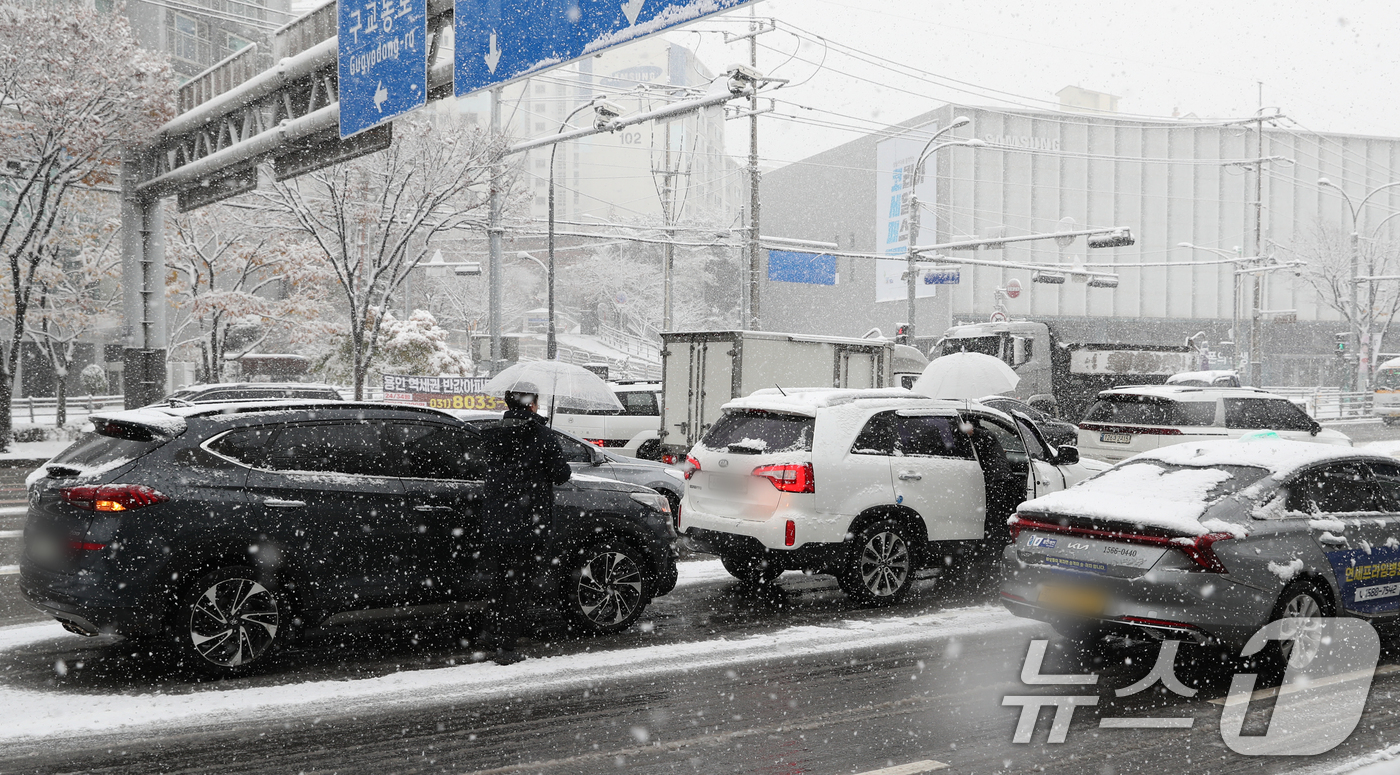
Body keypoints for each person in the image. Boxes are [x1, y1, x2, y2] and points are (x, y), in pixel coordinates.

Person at [476, 384, 572, 665]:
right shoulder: (541, 435)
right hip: (529, 521)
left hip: (497, 521)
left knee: (499, 580)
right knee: (519, 584)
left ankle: (489, 634)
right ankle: (507, 647)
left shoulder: (492, 435)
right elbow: (561, 474)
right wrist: (547, 439)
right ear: (531, 404)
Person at [961, 416, 1016, 547]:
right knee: (1001, 515)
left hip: (998, 479)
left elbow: (974, 432)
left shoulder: (982, 434)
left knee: (995, 516)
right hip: (1003, 478)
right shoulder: (988, 435)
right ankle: (1001, 542)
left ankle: (993, 545)